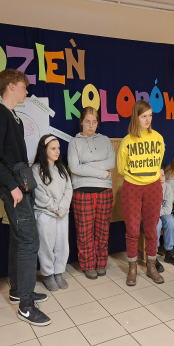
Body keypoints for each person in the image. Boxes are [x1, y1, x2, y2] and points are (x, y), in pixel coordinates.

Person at [0, 69, 51, 326]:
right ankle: (26, 306)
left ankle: (18, 291)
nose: (27, 91)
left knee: (18, 239)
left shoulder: (14, 117)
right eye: (24, 87)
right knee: (29, 240)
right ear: (11, 86)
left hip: (20, 185)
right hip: (13, 188)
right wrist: (12, 186)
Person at [117, 100, 165, 286]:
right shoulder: (127, 140)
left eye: (150, 115)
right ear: (136, 117)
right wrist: (137, 175)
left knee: (152, 229)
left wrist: (154, 176)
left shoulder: (158, 138)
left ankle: (151, 266)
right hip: (132, 187)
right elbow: (121, 168)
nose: (148, 119)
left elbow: (158, 163)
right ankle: (132, 268)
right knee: (132, 230)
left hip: (153, 186)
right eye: (144, 116)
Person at [67, 107, 115, 280]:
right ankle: (88, 265)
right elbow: (74, 168)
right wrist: (102, 173)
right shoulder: (74, 142)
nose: (91, 125)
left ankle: (101, 263)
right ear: (81, 122)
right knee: (84, 231)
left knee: (102, 230)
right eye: (87, 121)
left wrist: (86, 167)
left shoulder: (105, 140)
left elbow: (111, 162)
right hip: (82, 191)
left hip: (104, 190)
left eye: (94, 122)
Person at [32, 135, 73, 291]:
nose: (57, 152)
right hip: (45, 214)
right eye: (53, 148)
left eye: (58, 148)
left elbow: (68, 188)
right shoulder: (36, 169)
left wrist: (62, 207)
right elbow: (39, 193)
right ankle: (48, 274)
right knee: (47, 246)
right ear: (44, 150)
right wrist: (55, 207)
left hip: (62, 213)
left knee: (62, 245)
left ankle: (58, 272)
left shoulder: (61, 168)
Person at [156, 168, 174, 268]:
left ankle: (170, 253)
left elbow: (168, 210)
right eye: (157, 176)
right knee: (157, 223)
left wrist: (156, 212)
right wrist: (154, 214)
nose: (161, 178)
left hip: (163, 213)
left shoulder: (167, 187)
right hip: (151, 217)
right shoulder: (148, 188)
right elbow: (147, 210)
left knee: (170, 221)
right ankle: (152, 255)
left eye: (162, 175)